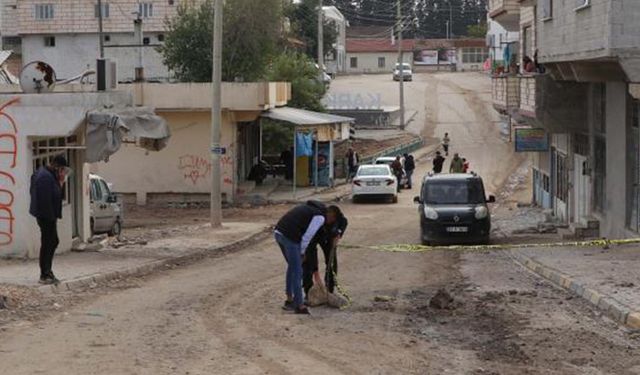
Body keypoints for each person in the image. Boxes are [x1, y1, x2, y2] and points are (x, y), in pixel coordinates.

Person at [274, 201, 337, 315]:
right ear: (330, 216)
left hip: (279, 232)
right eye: (331, 221)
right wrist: (302, 252)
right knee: (298, 270)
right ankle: (299, 305)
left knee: (293, 266)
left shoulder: (308, 208)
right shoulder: (320, 217)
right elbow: (308, 236)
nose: (328, 224)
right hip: (290, 237)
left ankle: (289, 300)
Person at [29, 155, 68, 285]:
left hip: (47, 214)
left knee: (52, 241)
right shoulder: (45, 177)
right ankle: (45, 273)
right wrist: (60, 183)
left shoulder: (46, 174)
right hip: (46, 215)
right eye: (62, 170)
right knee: (48, 242)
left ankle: (47, 271)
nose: (63, 173)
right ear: (57, 167)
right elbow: (50, 197)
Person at [303, 205, 348, 299]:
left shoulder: (340, 219)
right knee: (308, 262)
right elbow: (311, 249)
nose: (330, 220)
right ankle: (308, 292)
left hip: (328, 239)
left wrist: (339, 235)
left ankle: (330, 289)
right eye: (328, 218)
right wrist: (316, 272)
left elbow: (344, 222)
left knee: (332, 262)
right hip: (314, 238)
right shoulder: (317, 222)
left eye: (332, 219)